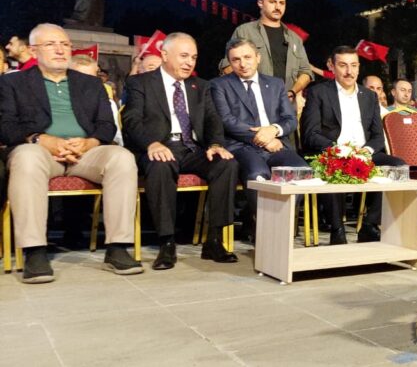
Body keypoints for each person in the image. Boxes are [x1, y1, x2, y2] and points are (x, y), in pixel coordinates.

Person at [0, 23, 141, 283]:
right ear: (34, 50)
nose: (60, 49)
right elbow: (5, 125)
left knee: (122, 158)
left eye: (65, 44)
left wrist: (90, 143)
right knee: (26, 157)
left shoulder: (90, 83)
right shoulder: (13, 83)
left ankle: (117, 248)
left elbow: (106, 125)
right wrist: (41, 139)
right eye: (51, 44)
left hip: (84, 152)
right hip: (40, 150)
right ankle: (35, 251)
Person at [122, 32, 239, 270]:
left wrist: (216, 144)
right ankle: (167, 243)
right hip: (159, 147)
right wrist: (151, 144)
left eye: (193, 57)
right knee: (160, 165)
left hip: (192, 148)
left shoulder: (200, 86)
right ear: (164, 55)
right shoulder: (140, 83)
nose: (189, 63)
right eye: (184, 56)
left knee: (227, 163)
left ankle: (214, 240)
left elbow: (212, 119)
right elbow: (131, 120)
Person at [300, 46, 406, 244]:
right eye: (343, 65)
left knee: (398, 166)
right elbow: (310, 134)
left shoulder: (369, 96)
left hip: (363, 152)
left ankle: (369, 225)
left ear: (359, 67)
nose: (349, 71)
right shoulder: (318, 92)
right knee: (332, 167)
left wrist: (367, 151)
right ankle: (337, 229)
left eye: (354, 65)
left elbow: (377, 137)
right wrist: (338, 149)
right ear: (331, 66)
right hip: (333, 151)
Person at [210, 39, 306, 242]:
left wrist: (273, 130)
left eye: (247, 57)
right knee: (257, 174)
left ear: (258, 58)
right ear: (230, 62)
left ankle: (281, 224)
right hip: (242, 145)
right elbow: (227, 121)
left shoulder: (276, 84)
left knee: (301, 172)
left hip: (276, 144)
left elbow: (290, 120)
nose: (242, 64)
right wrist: (262, 138)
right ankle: (263, 228)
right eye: (236, 60)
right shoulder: (219, 85)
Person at [218, 0, 313, 100]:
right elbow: (227, 66)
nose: (278, 7)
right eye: (272, 2)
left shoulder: (294, 38)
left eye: (282, 3)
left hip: (286, 107)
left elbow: (306, 72)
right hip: (251, 107)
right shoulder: (244, 32)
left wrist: (292, 92)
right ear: (260, 3)